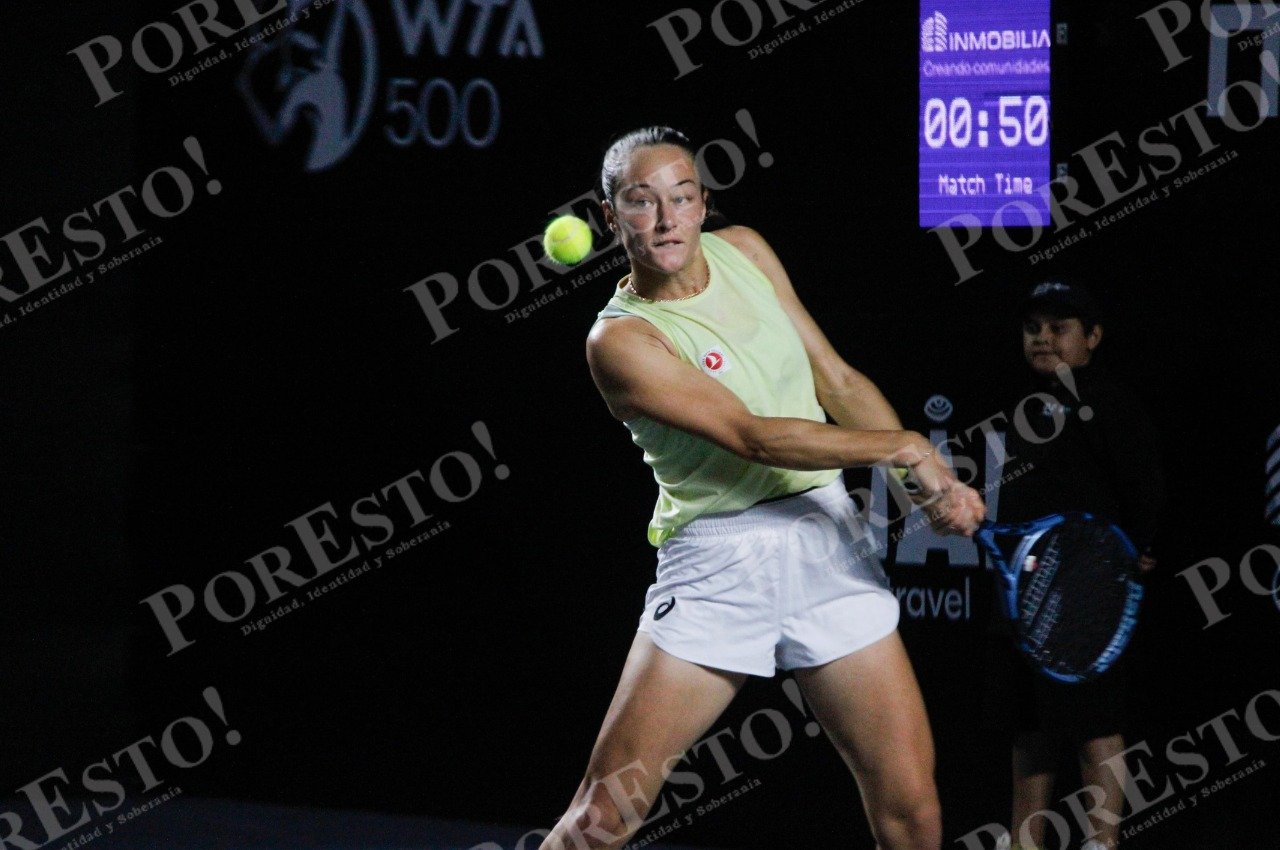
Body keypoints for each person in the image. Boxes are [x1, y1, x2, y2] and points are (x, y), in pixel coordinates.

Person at [541, 126, 985, 850]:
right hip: (721, 563)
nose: (665, 220)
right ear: (607, 215)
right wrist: (905, 447)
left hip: (827, 538)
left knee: (913, 811)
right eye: (641, 201)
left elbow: (834, 379)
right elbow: (751, 435)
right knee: (601, 818)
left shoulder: (745, 249)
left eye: (682, 199)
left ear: (703, 204)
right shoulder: (620, 341)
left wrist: (921, 484)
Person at [986, 282, 1164, 850]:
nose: (1043, 338)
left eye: (1059, 328)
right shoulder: (1016, 406)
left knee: (1096, 723)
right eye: (1033, 328)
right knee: (1029, 724)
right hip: (1025, 588)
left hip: (1092, 593)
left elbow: (1147, 491)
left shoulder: (1112, 406)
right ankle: (1025, 842)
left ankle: (1101, 842)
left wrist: (1136, 553)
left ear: (1092, 337)